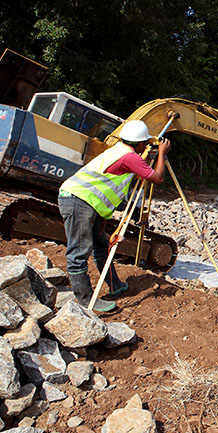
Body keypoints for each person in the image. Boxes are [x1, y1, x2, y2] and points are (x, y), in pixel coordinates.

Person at [59, 120, 171, 312]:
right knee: (79, 252)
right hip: (79, 200)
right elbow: (157, 178)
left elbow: (119, 175)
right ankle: (87, 301)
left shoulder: (120, 151)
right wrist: (161, 153)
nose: (146, 145)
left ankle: (115, 285)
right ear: (140, 143)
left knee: (101, 245)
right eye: (145, 142)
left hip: (87, 202)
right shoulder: (129, 157)